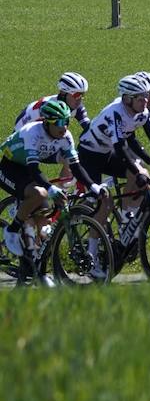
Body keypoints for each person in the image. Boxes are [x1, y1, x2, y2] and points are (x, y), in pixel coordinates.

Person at [1, 100, 101, 285]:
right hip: (10, 167)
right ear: (47, 122)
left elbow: (76, 167)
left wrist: (93, 186)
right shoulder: (33, 132)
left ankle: (38, 270)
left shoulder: (66, 136)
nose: (65, 127)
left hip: (29, 167)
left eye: (67, 122)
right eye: (60, 123)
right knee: (39, 194)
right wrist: (51, 188)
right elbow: (33, 170)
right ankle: (12, 229)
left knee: (46, 222)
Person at [78, 74, 150, 276]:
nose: (146, 101)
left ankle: (127, 219)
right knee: (104, 204)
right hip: (89, 155)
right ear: (127, 99)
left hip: (107, 152)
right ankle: (91, 258)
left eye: (146, 96)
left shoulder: (140, 112)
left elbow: (132, 142)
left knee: (142, 175)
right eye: (140, 97)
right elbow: (120, 145)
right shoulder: (115, 112)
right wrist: (137, 170)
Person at [14, 72, 92, 134]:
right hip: (22, 134)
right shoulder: (47, 108)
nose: (80, 99)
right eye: (77, 95)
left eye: (82, 95)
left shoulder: (77, 107)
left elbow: (89, 128)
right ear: (63, 93)